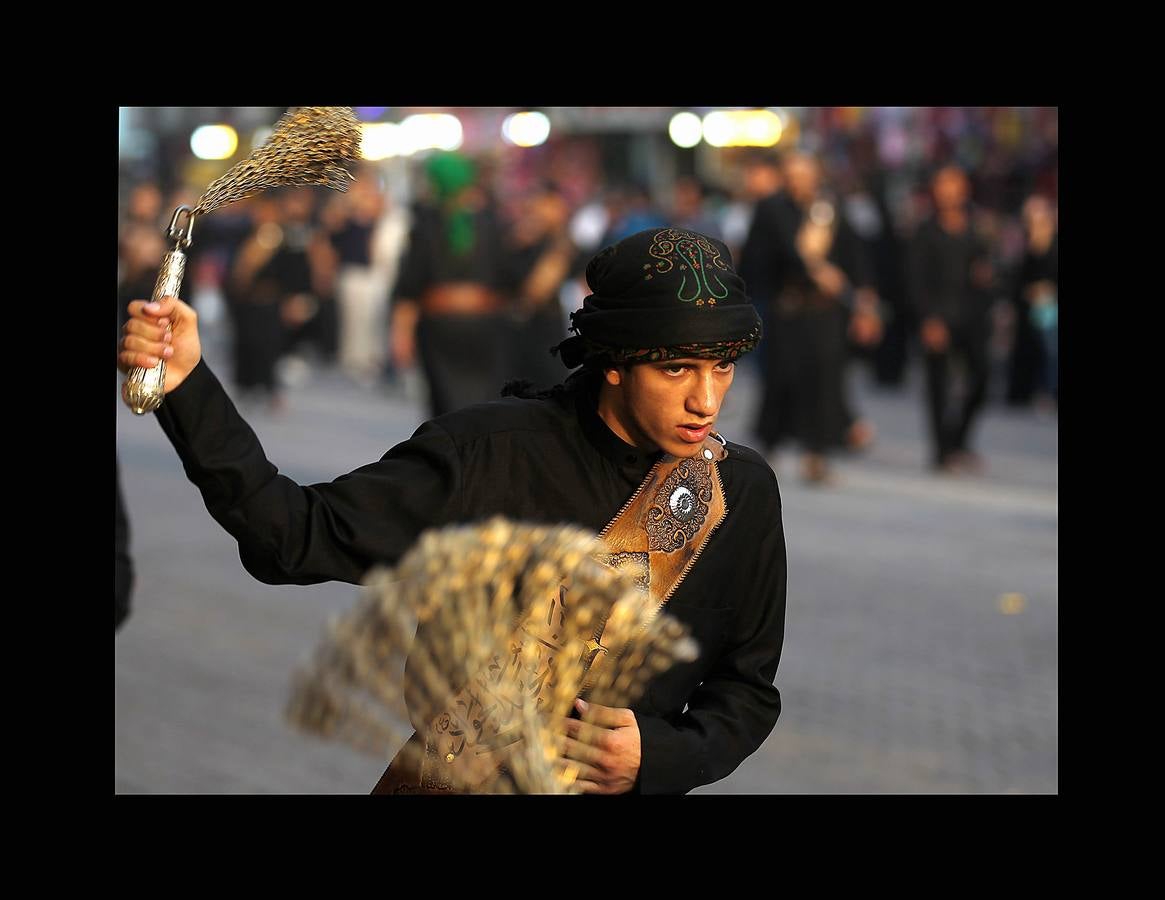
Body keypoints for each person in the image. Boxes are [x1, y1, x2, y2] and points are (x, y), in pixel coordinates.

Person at [116, 226, 787, 795]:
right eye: (677, 370)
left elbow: (747, 692)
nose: (707, 399)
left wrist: (660, 755)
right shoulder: (486, 455)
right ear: (615, 362)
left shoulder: (738, 494)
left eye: (722, 368)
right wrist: (187, 386)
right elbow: (292, 536)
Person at [906, 164, 995, 473]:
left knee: (982, 376)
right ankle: (942, 451)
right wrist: (928, 319)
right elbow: (915, 279)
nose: (948, 191)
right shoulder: (925, 230)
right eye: (942, 184)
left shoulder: (976, 227)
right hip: (938, 315)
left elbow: (988, 268)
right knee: (938, 386)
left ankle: (959, 439)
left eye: (954, 184)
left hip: (972, 316)